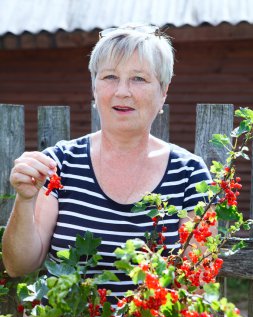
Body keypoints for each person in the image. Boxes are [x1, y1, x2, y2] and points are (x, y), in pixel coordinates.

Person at [3, 24, 214, 297]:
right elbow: (18, 265)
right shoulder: (60, 164)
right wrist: (25, 200)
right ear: (94, 87)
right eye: (110, 77)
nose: (122, 91)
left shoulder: (190, 176)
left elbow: (195, 284)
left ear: (163, 91)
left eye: (138, 78)